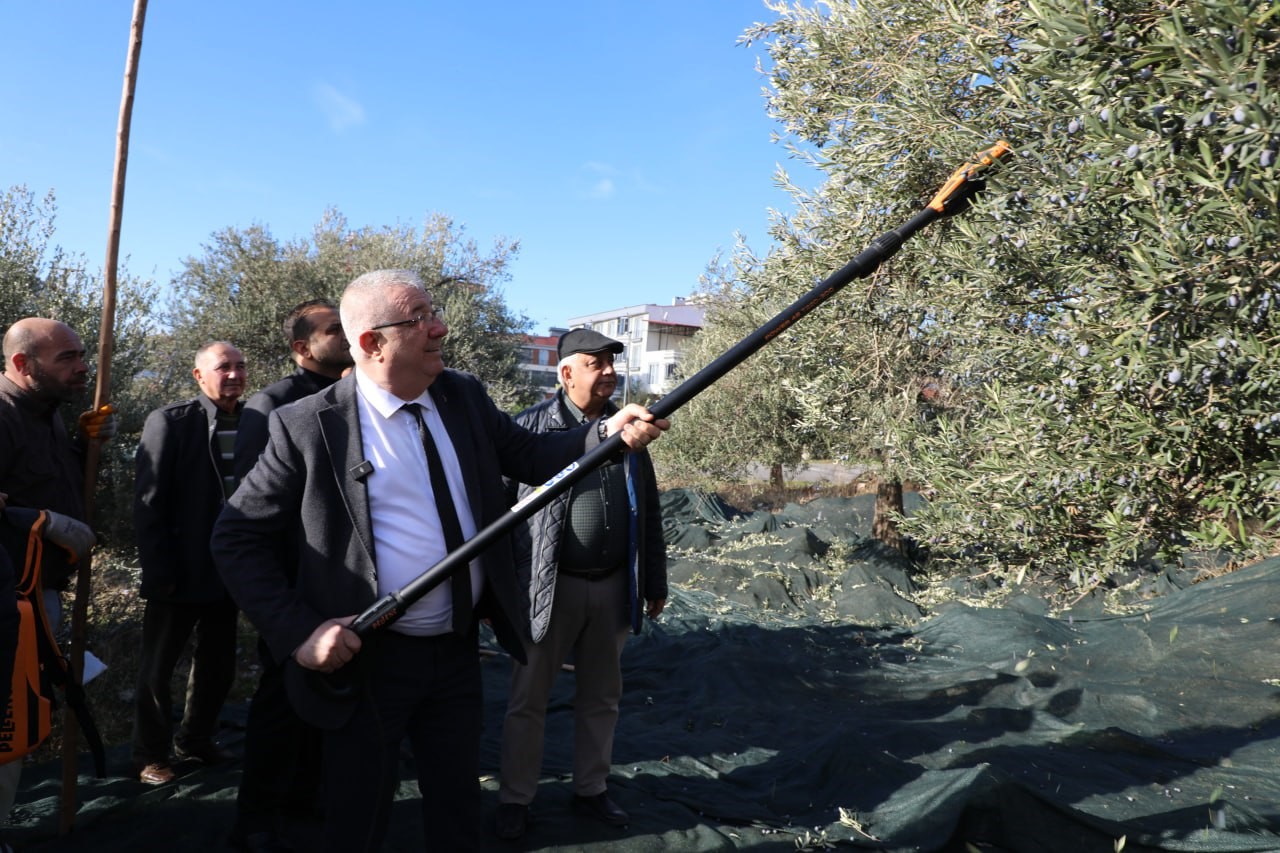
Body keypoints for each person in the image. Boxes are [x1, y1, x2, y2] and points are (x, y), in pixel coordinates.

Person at [211, 269, 668, 853]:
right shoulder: (306, 426)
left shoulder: (462, 396)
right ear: (372, 342)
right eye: (419, 318)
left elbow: (531, 455)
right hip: (369, 659)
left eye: (435, 312)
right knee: (360, 811)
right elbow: (236, 537)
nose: (440, 327)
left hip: (455, 652)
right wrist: (298, 630)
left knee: (456, 807)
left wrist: (606, 432)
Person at [495, 328, 668, 839]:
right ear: (566, 373)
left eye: (613, 364)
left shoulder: (631, 434)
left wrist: (652, 579)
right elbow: (496, 518)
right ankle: (515, 799)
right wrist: (494, 592)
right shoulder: (528, 432)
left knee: (602, 696)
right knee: (529, 700)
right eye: (597, 364)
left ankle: (591, 789)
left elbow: (650, 511)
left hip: (612, 586)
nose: (610, 373)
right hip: (547, 587)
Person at [229, 299, 351, 851]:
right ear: (303, 348)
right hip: (293, 591)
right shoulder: (273, 405)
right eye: (333, 329)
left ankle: (311, 799)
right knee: (281, 705)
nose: (346, 334)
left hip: (344, 584)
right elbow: (252, 515)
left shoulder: (357, 398)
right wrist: (282, 605)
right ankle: (257, 818)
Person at [0, 318, 111, 825]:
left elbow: (35, 475)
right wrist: (40, 523)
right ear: (23, 365)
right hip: (7, 605)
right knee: (5, 725)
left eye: (82, 354)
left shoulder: (48, 413)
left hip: (36, 599)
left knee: (18, 725)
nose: (82, 367)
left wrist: (85, 450)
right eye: (65, 358)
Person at [131, 341, 247, 785]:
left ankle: (196, 740)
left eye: (240, 366)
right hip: (179, 568)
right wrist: (159, 571)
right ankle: (150, 755)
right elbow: (149, 503)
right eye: (223, 368)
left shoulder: (257, 421)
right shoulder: (172, 422)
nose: (234, 374)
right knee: (158, 667)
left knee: (219, 663)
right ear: (199, 376)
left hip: (231, 569)